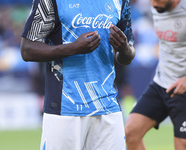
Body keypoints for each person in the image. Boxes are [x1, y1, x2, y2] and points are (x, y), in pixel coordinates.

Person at [20, 0, 135, 150]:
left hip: (108, 107)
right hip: (64, 108)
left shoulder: (120, 1)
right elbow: (27, 49)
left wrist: (124, 48)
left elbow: (128, 54)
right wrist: (72, 48)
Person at [125, 0, 186, 150]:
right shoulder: (157, 7)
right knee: (130, 133)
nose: (153, 4)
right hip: (161, 84)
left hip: (183, 90)